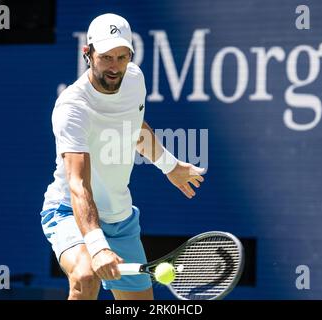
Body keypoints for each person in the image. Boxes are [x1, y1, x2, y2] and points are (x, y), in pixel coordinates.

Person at [40, 13, 205, 300]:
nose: (115, 67)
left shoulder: (134, 79)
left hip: (121, 218)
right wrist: (97, 244)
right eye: (106, 57)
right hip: (70, 212)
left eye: (122, 56)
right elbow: (78, 183)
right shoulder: (72, 107)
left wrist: (170, 166)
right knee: (86, 275)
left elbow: (134, 127)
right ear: (87, 54)